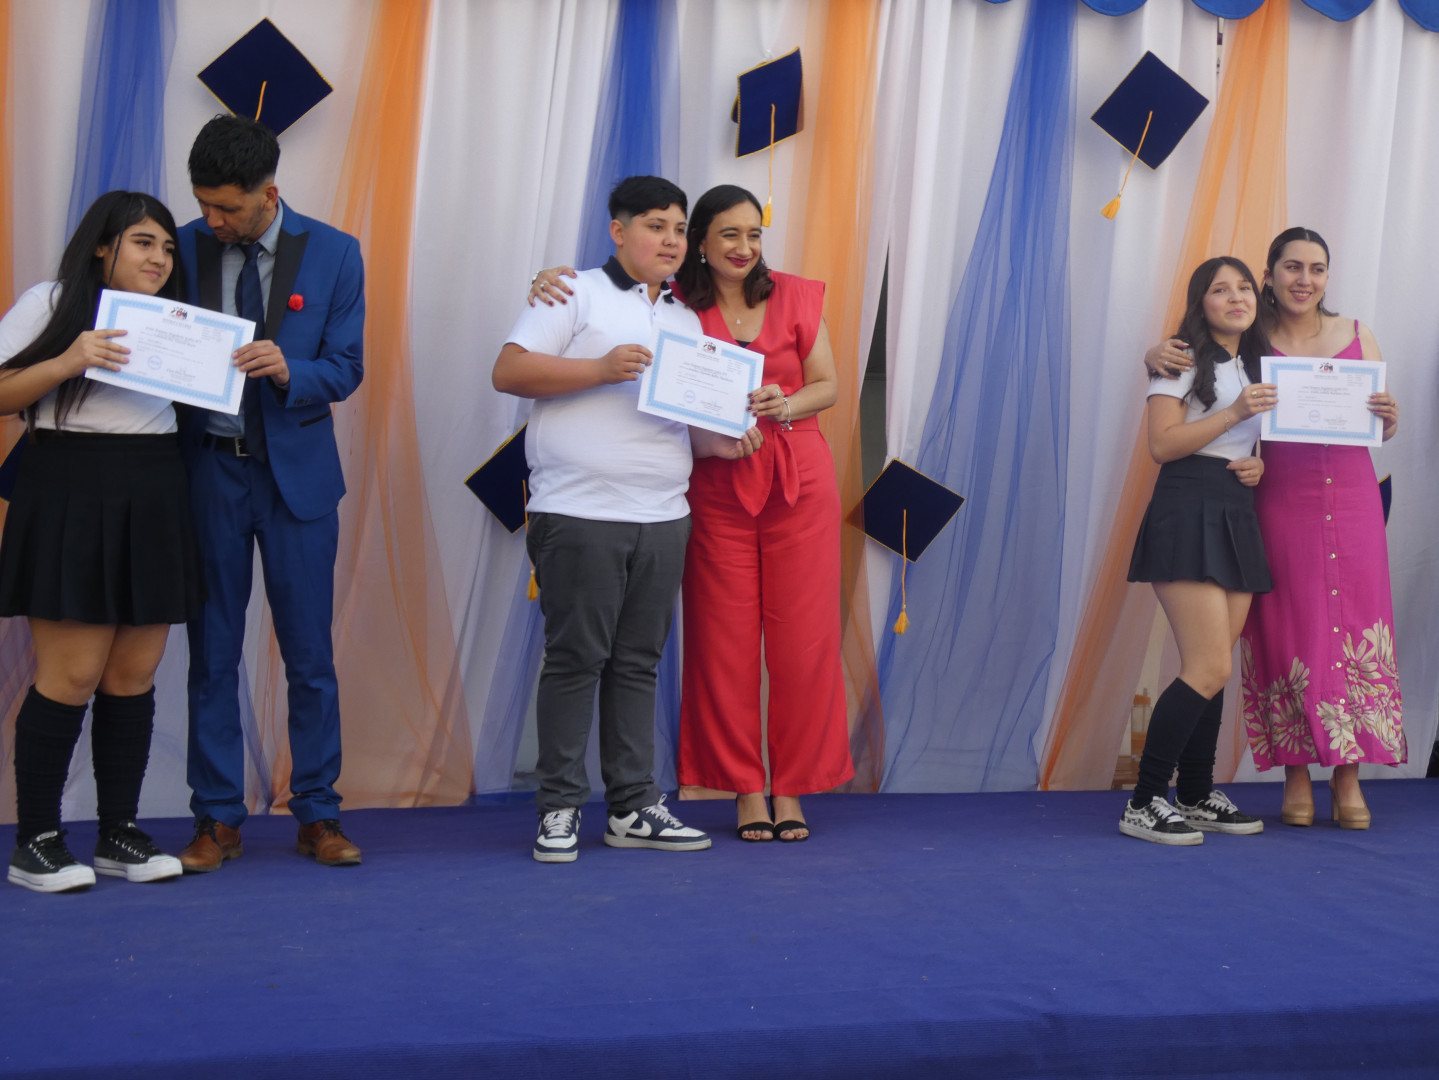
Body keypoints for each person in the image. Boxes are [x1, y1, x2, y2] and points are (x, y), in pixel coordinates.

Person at [495, 175, 761, 864]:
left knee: (638, 663)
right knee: (576, 660)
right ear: (618, 232)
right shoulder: (571, 292)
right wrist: (600, 368)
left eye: (678, 229)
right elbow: (509, 372)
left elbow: (681, 424)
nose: (670, 240)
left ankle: (633, 805)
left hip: (665, 513)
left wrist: (721, 441)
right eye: (654, 225)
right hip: (579, 508)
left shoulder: (684, 318)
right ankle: (558, 807)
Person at [1146, 228, 1403, 829]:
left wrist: (1389, 419)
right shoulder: (1252, 336)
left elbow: (1375, 422)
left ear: (1328, 276)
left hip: (1350, 494)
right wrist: (1156, 354)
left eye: (1316, 268)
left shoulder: (1358, 333)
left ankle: (1346, 776)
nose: (1304, 279)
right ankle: (1292, 772)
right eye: (1291, 267)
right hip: (1276, 498)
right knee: (1287, 628)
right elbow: (1196, 363)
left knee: (1356, 626)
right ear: (1270, 275)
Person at [174, 115, 365, 870]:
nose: (212, 220)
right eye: (203, 205)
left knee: (310, 656)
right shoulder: (179, 247)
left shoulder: (336, 252)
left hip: (298, 482)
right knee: (211, 653)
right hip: (207, 473)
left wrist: (291, 369)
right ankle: (216, 818)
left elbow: (346, 367)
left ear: (269, 194)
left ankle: (318, 812)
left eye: (227, 207)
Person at [0, 191, 200, 892]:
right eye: (144, 242)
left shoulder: (180, 320)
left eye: (167, 247)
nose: (159, 258)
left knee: (132, 676)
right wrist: (69, 359)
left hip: (155, 486)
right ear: (101, 246)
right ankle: (36, 840)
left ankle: (119, 832)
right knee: (71, 674)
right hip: (69, 487)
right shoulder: (51, 302)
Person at [1122, 257, 1275, 846]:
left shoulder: (1256, 362)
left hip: (1235, 508)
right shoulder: (1180, 357)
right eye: (1220, 289)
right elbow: (1162, 445)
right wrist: (1235, 414)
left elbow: (1243, 439)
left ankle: (1194, 793)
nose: (1236, 297)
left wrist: (1257, 462)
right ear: (1200, 303)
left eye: (1244, 287)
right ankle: (1144, 802)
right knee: (1207, 666)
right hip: (1187, 505)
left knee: (1215, 668)